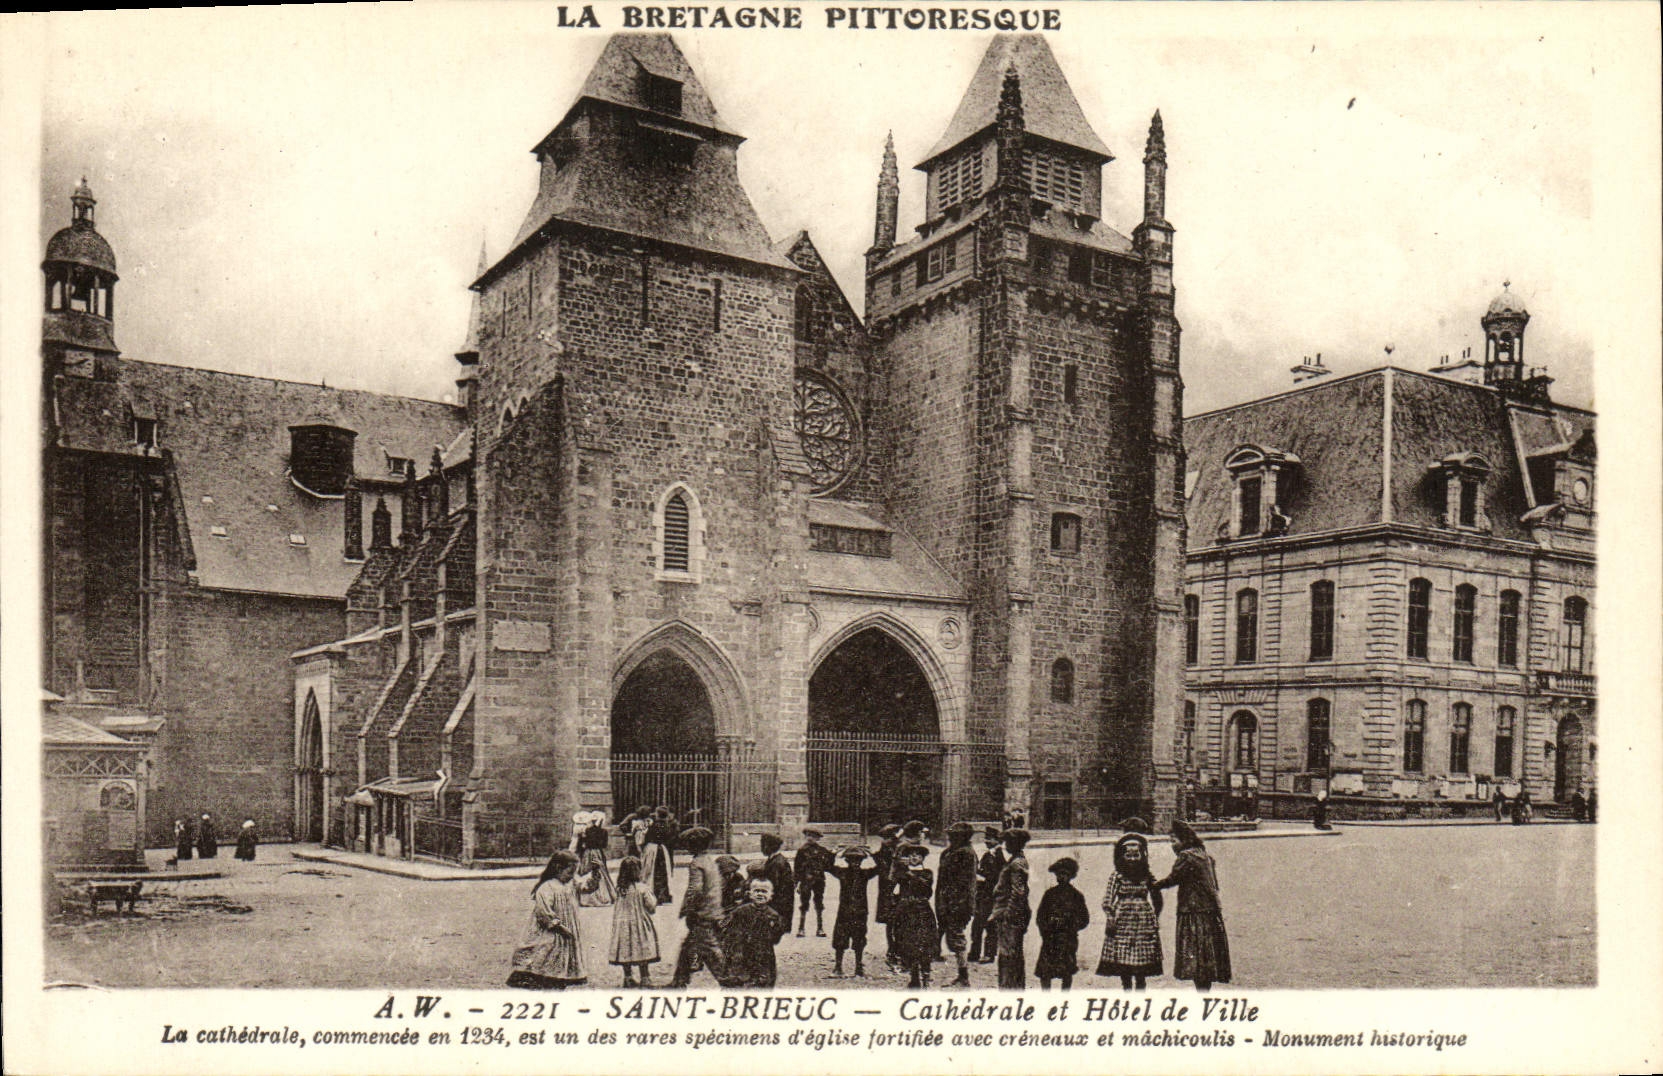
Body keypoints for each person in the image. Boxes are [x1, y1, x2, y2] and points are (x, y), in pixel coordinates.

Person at [1155, 821, 1231, 993]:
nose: (1172, 845)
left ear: (1184, 840)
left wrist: (1154, 885)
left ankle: (1201, 992)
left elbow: (1173, 878)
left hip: (1192, 911)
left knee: (1195, 954)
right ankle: (1204, 991)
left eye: (1173, 840)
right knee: (1206, 954)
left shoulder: (1186, 856)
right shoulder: (1205, 855)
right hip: (1210, 911)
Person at [508, 850, 597, 989]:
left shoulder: (571, 883)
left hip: (567, 926)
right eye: (569, 872)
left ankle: (559, 977)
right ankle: (542, 978)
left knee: (563, 954)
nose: (571, 876)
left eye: (574, 873)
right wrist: (557, 926)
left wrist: (596, 874)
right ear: (558, 869)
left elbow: (587, 888)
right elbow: (543, 911)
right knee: (547, 951)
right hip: (552, 929)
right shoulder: (547, 887)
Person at [1097, 830, 1163, 990]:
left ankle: (1140, 988)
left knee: (1142, 959)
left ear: (1142, 856)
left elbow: (1157, 896)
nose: (1132, 859)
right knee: (1124, 958)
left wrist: (1156, 916)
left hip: (1143, 920)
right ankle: (1126, 987)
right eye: (1128, 855)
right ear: (1122, 856)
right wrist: (1110, 917)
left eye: (1136, 855)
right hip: (1123, 920)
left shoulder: (1147, 875)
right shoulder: (1117, 876)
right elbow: (1108, 899)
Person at [668, 826, 728, 988]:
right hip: (712, 911)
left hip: (703, 914)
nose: (687, 847)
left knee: (710, 951)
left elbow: (695, 890)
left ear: (695, 845)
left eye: (689, 843)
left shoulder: (696, 863)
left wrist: (688, 909)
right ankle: (678, 982)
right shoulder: (709, 861)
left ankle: (729, 982)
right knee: (688, 948)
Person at [1035, 857, 1090, 991]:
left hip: (1067, 939)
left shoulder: (1076, 896)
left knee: (1067, 971)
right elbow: (1040, 916)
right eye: (1059, 874)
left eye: (1065, 874)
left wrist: (1070, 926)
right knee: (1045, 971)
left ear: (1071, 876)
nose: (1062, 877)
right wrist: (1045, 929)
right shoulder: (1049, 894)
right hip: (1050, 939)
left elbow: (1084, 919)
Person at [723, 876, 787, 987]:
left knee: (765, 981)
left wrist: (773, 929)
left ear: (771, 895)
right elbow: (727, 928)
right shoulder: (740, 911)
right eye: (756, 891)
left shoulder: (772, 915)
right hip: (742, 952)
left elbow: (776, 937)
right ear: (750, 894)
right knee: (739, 979)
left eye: (764, 891)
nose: (760, 894)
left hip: (763, 953)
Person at [890, 841, 939, 989]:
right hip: (906, 912)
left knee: (924, 943)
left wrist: (908, 873)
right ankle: (914, 977)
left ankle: (926, 977)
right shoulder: (902, 873)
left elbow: (925, 888)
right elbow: (892, 884)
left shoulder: (927, 873)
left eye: (918, 855)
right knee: (908, 943)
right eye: (911, 855)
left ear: (922, 858)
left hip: (922, 911)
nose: (914, 857)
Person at [935, 821, 978, 986]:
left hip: (958, 903)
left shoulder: (966, 854)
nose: (950, 838)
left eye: (954, 836)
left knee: (956, 937)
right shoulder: (950, 852)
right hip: (947, 902)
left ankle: (964, 975)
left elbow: (964, 883)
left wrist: (957, 905)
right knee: (952, 937)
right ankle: (962, 974)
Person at [989, 828, 1032, 990]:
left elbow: (1018, 892)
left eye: (1008, 842)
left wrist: (1008, 914)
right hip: (1011, 914)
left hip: (1010, 917)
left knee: (1008, 955)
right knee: (1011, 954)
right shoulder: (1016, 860)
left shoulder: (1016, 863)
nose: (1005, 845)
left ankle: (1009, 988)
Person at [829, 845, 880, 978]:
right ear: (847, 861)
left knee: (860, 939)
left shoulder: (864, 874)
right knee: (840, 939)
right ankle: (838, 967)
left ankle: (858, 967)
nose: (855, 863)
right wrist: (835, 853)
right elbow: (827, 866)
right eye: (852, 860)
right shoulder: (842, 873)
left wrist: (873, 854)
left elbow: (880, 867)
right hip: (844, 912)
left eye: (858, 860)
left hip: (860, 912)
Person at [609, 856, 660, 988]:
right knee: (642, 947)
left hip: (623, 924)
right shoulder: (642, 888)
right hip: (639, 923)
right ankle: (645, 977)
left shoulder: (620, 889)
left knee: (625, 948)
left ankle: (628, 977)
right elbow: (651, 905)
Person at [969, 825, 1005, 964]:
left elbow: (999, 877)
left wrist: (984, 878)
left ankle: (989, 954)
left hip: (992, 896)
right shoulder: (988, 855)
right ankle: (975, 952)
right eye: (986, 838)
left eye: (989, 839)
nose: (986, 841)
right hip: (983, 895)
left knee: (990, 925)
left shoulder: (999, 856)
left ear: (997, 840)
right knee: (977, 925)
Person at [794, 828, 836, 937]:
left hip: (819, 880)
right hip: (806, 881)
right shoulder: (801, 851)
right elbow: (797, 868)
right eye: (808, 835)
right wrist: (796, 883)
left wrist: (833, 855)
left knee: (819, 903)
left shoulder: (822, 850)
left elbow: (828, 866)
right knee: (804, 904)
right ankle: (801, 928)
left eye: (813, 836)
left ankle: (820, 928)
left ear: (817, 838)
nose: (810, 838)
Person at [872, 823, 902, 968]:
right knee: (891, 921)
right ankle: (892, 949)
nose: (885, 841)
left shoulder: (898, 850)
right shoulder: (884, 852)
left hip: (894, 889)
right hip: (888, 891)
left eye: (888, 838)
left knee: (896, 921)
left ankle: (896, 949)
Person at [578, 812, 617, 907]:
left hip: (587, 853)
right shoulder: (603, 832)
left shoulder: (586, 830)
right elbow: (604, 845)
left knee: (587, 872)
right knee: (600, 872)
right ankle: (602, 895)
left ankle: (586, 896)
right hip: (597, 853)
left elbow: (582, 845)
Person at [758, 833, 796, 931]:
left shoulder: (777, 863)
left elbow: (772, 885)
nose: (762, 848)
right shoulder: (775, 860)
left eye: (763, 845)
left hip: (778, 905)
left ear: (770, 846)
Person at [641, 808, 676, 905]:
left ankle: (654, 894)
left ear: (658, 815)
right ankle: (663, 895)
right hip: (663, 850)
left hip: (653, 849)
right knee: (663, 873)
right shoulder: (668, 826)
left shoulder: (653, 826)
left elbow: (646, 838)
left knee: (652, 872)